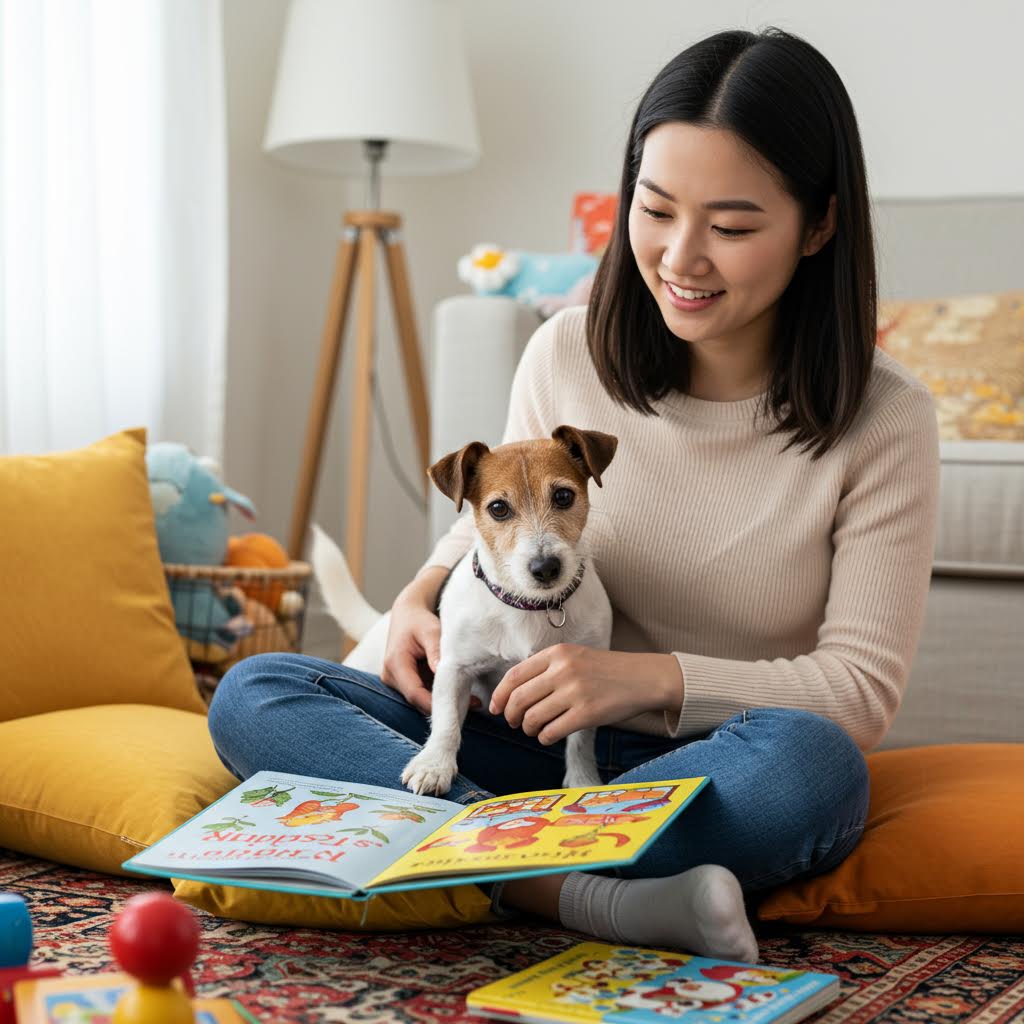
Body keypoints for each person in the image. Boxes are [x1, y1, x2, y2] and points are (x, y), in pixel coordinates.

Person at [208, 26, 940, 962]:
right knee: (257, 691)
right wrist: (418, 601)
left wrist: (645, 677)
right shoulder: (566, 351)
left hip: (695, 767)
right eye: (656, 208)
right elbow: (488, 525)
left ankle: (469, 857)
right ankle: (580, 890)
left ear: (821, 225)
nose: (681, 257)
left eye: (733, 226)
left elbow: (860, 692)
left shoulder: (886, 420)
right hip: (512, 744)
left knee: (819, 770)